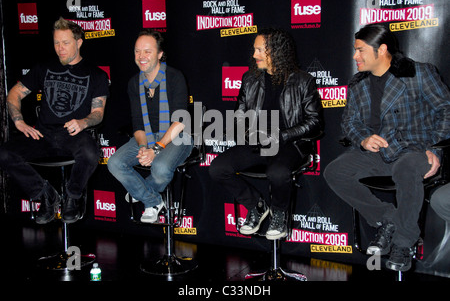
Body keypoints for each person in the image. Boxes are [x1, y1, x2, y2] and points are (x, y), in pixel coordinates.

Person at [324, 24, 450, 271]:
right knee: (334, 172)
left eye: (360, 50)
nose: (355, 56)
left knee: (405, 170)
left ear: (381, 49)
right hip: (378, 154)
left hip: (415, 150)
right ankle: (388, 219)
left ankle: (404, 242)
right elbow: (349, 121)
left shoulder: (419, 73)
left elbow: (446, 109)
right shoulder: (358, 84)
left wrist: (435, 149)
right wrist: (362, 139)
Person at [209, 28, 323, 240]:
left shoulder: (302, 81)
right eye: (255, 50)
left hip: (291, 144)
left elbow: (315, 124)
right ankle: (257, 206)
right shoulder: (250, 79)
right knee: (217, 168)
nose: (254, 55)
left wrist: (282, 136)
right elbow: (239, 114)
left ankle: (279, 213)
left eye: (260, 50)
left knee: (277, 172)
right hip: (258, 142)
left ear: (277, 51)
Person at [0, 18, 109, 224]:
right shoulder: (44, 68)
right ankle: (45, 194)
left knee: (90, 152)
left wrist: (83, 122)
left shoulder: (96, 75)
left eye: (66, 43)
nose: (60, 49)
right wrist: (18, 121)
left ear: (79, 42)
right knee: (5, 153)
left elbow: (98, 113)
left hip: (73, 135)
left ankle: (73, 197)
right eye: (56, 43)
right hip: (43, 134)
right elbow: (14, 93)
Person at [107, 29, 192, 223]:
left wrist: (156, 149)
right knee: (114, 163)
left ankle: (142, 190)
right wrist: (144, 147)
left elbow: (180, 121)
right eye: (137, 51)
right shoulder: (133, 83)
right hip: (147, 136)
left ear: (160, 54)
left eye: (147, 51)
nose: (141, 56)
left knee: (161, 168)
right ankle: (151, 200)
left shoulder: (174, 77)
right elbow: (137, 123)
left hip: (177, 136)